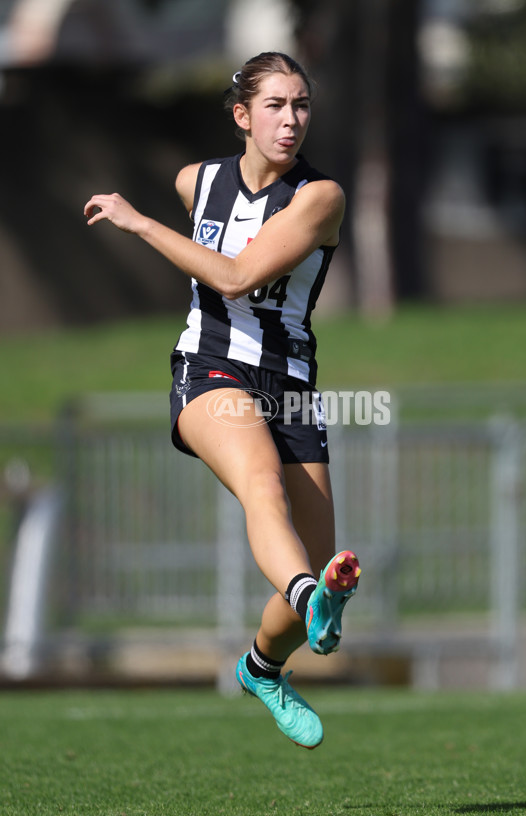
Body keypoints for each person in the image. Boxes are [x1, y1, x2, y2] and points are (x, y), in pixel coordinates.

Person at [84, 51, 360, 750]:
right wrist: (147, 224)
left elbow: (235, 277)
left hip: (291, 386)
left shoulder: (319, 197)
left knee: (321, 569)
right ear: (242, 116)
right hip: (209, 369)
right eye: (274, 105)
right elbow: (221, 285)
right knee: (262, 488)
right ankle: (309, 596)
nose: (291, 120)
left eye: (300, 105)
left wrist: (141, 223)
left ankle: (263, 668)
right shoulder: (195, 182)